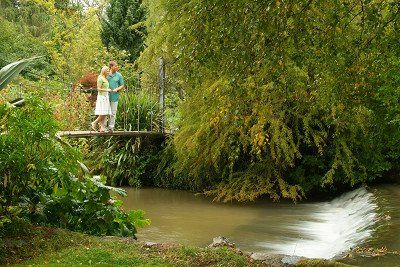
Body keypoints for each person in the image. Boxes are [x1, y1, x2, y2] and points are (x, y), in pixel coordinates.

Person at [91, 66, 112, 132]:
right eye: (108, 70)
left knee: (105, 112)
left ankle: (102, 128)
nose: (108, 72)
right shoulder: (100, 78)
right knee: (103, 113)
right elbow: (98, 89)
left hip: (105, 96)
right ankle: (94, 122)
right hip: (102, 97)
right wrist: (107, 90)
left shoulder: (105, 78)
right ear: (104, 71)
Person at [106, 61, 125, 132]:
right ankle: (103, 127)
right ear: (111, 67)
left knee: (113, 113)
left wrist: (117, 89)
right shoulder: (106, 74)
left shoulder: (119, 75)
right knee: (105, 112)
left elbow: (122, 85)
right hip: (106, 97)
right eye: (115, 66)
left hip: (115, 96)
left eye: (117, 66)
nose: (117, 67)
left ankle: (111, 128)